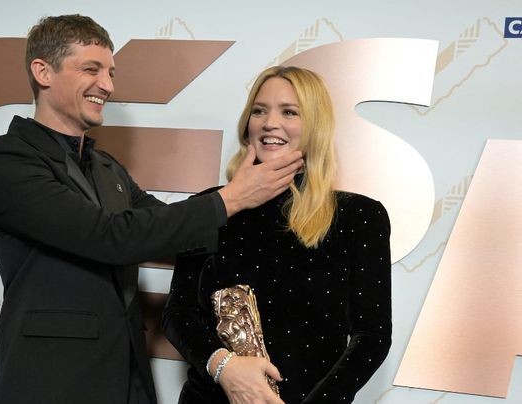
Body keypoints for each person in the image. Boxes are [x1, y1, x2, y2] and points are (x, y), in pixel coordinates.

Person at [0, 15, 303, 404]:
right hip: (51, 380)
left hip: (128, 379)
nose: (107, 85)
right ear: (43, 71)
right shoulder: (2, 159)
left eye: (110, 72)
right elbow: (109, 236)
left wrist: (265, 209)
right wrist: (233, 197)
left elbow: (166, 229)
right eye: (91, 69)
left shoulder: (106, 167)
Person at [163, 66, 392, 404]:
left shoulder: (359, 217)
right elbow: (178, 313)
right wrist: (223, 367)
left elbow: (372, 337)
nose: (270, 123)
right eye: (259, 111)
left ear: (315, 125)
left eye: (289, 112)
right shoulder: (211, 208)